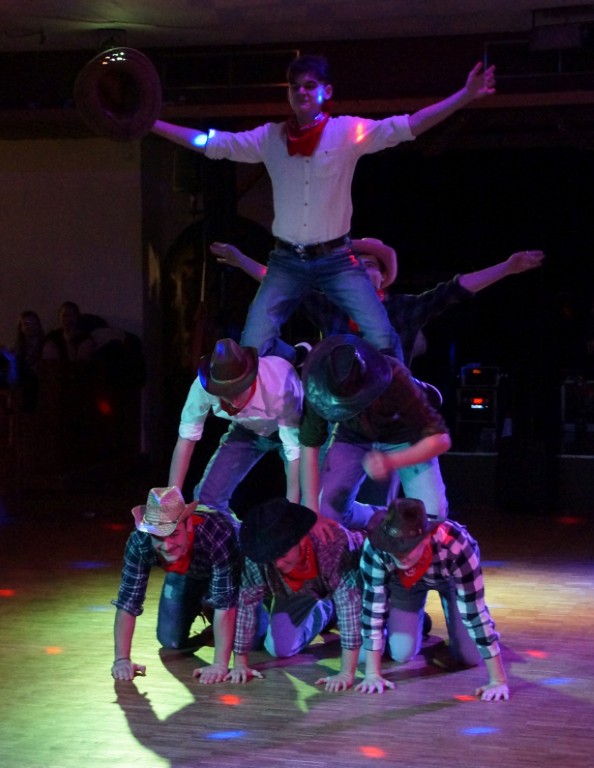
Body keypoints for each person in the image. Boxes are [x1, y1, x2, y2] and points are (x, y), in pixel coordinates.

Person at [152, 54, 496, 361]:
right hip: (287, 260)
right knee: (253, 341)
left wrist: (465, 96)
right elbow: (212, 143)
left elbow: (408, 126)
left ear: (326, 91)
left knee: (382, 336)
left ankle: (396, 401)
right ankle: (281, 379)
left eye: (310, 85)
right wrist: (152, 124)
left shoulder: (346, 132)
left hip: (336, 259)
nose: (301, 92)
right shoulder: (270, 138)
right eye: (294, 87)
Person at [210, 240, 545, 366]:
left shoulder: (402, 310)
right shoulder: (332, 307)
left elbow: (453, 290)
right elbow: (281, 285)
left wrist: (507, 268)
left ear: (382, 277)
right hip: (338, 411)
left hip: (387, 416)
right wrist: (241, 261)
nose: (359, 272)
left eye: (368, 266)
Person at [169, 338, 334, 535]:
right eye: (225, 392)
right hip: (247, 431)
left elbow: (294, 453)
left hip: (296, 433)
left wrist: (292, 517)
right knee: (207, 503)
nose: (233, 399)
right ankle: (236, 544)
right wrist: (172, 497)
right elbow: (186, 439)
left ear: (250, 378)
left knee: (310, 509)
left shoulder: (278, 386)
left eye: (238, 390)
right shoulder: (203, 387)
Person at [356, 497, 509, 701]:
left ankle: (453, 623)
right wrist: (372, 674)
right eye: (395, 548)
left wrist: (498, 680)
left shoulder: (456, 545)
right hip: (405, 585)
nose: (401, 555)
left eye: (408, 547)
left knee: (470, 657)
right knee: (401, 654)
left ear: (426, 538)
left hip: (451, 582)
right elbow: (373, 607)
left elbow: (474, 612)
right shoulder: (377, 547)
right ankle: (417, 621)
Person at [299, 334, 451, 529]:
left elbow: (441, 439)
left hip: (402, 437)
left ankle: (397, 526)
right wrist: (313, 515)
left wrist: (391, 461)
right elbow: (309, 447)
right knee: (326, 514)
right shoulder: (317, 386)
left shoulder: (394, 375)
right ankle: (382, 519)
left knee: (432, 516)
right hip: (352, 437)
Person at [221, 497, 364, 692]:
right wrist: (240, 663)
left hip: (356, 589)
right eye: (272, 558)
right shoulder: (261, 560)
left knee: (366, 655)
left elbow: (349, 607)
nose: (277, 564)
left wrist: (346, 673)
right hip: (305, 592)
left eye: (282, 555)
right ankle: (328, 610)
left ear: (301, 540)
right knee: (279, 648)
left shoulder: (333, 545)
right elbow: (246, 606)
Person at [111, 486, 242, 684]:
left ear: (189, 524)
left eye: (173, 534)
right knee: (170, 640)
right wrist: (121, 660)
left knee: (252, 638)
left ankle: (213, 605)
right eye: (158, 537)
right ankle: (202, 604)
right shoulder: (140, 542)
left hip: (235, 578)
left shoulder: (217, 532)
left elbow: (225, 602)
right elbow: (128, 601)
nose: (167, 545)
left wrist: (219, 665)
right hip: (187, 574)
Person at [1, 310, 45, 411]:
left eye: (34, 323)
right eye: (27, 323)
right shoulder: (17, 349)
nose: (31, 326)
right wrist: (12, 360)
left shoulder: (46, 346)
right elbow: (13, 381)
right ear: (20, 327)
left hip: (40, 388)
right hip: (20, 387)